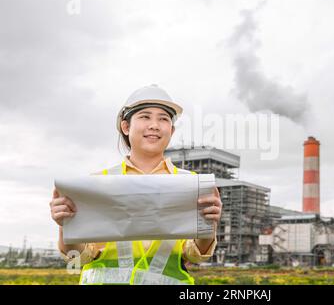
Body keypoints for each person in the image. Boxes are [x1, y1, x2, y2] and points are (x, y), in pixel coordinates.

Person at [50, 84, 222, 285]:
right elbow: (78, 258)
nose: (154, 125)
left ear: (171, 130)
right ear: (125, 126)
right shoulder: (97, 184)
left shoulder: (191, 184)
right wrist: (66, 226)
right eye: (145, 117)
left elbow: (195, 255)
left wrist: (208, 226)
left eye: (163, 119)